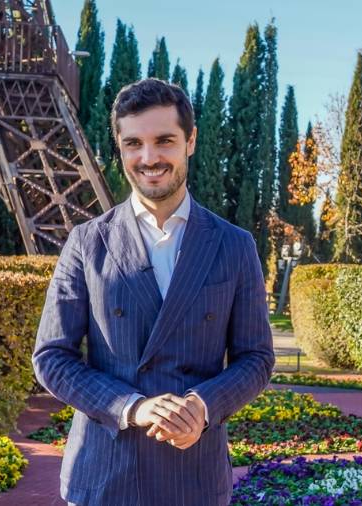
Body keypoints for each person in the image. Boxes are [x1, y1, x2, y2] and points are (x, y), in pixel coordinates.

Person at [32, 77, 275, 506]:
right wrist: (132, 407)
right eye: (133, 144)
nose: (149, 158)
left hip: (194, 478)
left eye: (164, 140)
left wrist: (200, 407)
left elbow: (255, 358)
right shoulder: (87, 243)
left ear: (191, 141)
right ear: (120, 148)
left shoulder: (235, 245)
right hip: (104, 475)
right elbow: (52, 356)